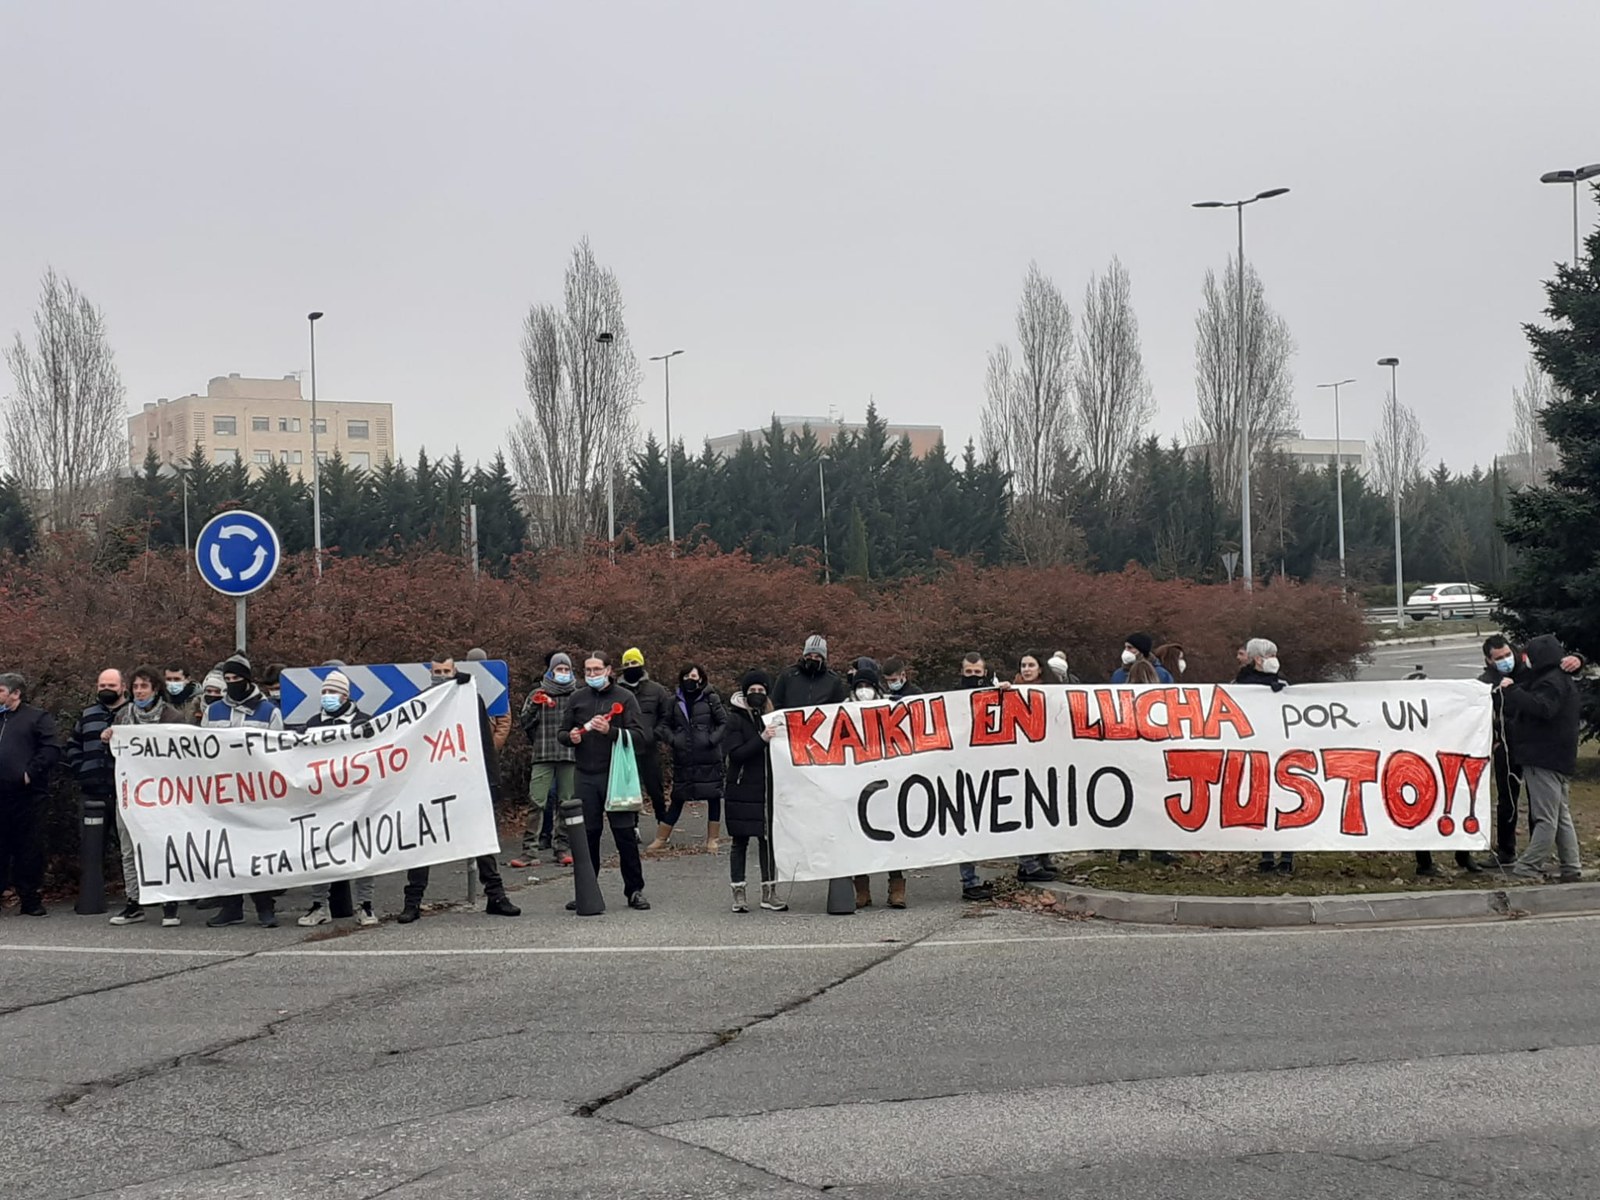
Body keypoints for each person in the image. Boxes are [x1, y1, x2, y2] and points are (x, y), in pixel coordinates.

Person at [400, 657, 522, 923]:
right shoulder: (420, 703)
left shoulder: (470, 698)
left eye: (447, 671)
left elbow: (484, 741)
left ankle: (496, 895)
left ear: (455, 671)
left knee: (480, 837)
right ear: (430, 674)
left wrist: (491, 779)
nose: (442, 675)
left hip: (467, 779)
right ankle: (412, 902)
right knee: (422, 842)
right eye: (438, 672)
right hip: (430, 782)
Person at [561, 651, 650, 910]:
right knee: (587, 836)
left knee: (624, 835)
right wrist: (571, 738)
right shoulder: (577, 698)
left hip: (616, 776)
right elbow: (563, 733)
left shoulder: (625, 698)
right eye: (588, 671)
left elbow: (640, 737)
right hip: (585, 775)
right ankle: (586, 890)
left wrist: (610, 731)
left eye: (597, 670)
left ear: (609, 670)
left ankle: (635, 890)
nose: (592, 675)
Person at [202, 655, 287, 927]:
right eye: (227, 680)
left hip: (257, 793)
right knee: (226, 850)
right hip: (223, 792)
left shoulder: (269, 711)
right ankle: (231, 906)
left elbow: (281, 752)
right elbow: (202, 751)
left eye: (236, 679)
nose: (231, 684)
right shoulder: (213, 711)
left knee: (258, 852)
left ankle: (265, 907)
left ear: (247, 679)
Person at [297, 671, 380, 927]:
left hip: (357, 798)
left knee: (363, 850)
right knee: (319, 849)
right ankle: (319, 905)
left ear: (345, 695)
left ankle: (365, 906)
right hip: (322, 799)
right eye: (324, 692)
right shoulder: (312, 724)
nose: (327, 697)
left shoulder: (364, 722)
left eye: (332, 693)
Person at [108, 666, 189, 927]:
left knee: (162, 847)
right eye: (136, 687)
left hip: (162, 795)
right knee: (129, 849)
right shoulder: (123, 716)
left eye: (144, 686)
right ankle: (134, 901)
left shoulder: (172, 717)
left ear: (155, 689)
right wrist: (109, 736)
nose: (140, 691)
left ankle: (170, 903)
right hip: (130, 794)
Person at [1501, 635, 1583, 884]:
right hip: (1559, 756)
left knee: (1546, 817)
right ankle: (1571, 865)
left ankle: (1528, 865)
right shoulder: (1559, 678)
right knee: (1560, 814)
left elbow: (1542, 708)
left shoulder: (1549, 683)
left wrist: (1511, 690)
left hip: (1542, 757)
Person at [848, 659, 912, 909]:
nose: (864, 689)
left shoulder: (891, 707)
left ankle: (897, 887)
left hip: (887, 782)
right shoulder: (842, 710)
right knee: (856, 836)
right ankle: (861, 889)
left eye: (868, 684)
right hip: (856, 783)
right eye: (859, 685)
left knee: (892, 835)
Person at [724, 669, 787, 913]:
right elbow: (736, 753)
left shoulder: (772, 717)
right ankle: (738, 892)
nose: (757, 694)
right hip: (741, 789)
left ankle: (769, 892)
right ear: (744, 693)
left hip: (767, 788)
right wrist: (761, 739)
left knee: (767, 841)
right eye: (753, 691)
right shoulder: (735, 719)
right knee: (739, 842)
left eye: (761, 691)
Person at [0, 673, 61, 917]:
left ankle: (30, 898)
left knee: (29, 847)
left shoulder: (37, 718)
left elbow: (51, 749)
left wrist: (29, 773)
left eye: (2, 690)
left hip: (28, 795)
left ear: (16, 693)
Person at [512, 652, 577, 870]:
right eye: (559, 669)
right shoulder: (537, 693)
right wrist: (535, 705)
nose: (563, 673)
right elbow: (524, 722)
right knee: (536, 801)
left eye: (566, 669)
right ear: (550, 670)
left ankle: (563, 848)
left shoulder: (577, 695)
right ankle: (529, 850)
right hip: (542, 754)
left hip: (569, 755)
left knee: (566, 802)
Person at [1235, 639, 1294, 876]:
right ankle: (1267, 856)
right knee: (1262, 804)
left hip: (1281, 753)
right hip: (1254, 753)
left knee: (1287, 803)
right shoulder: (1239, 684)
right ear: (1257, 658)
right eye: (1269, 654)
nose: (1274, 659)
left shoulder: (1283, 684)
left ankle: (1287, 857)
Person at [65, 670, 128, 885]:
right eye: (102, 685)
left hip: (124, 793)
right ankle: (92, 894)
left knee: (128, 847)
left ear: (123, 687)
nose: (106, 689)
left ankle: (136, 894)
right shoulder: (87, 714)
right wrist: (80, 769)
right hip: (91, 791)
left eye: (111, 685)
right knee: (92, 848)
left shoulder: (132, 714)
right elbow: (73, 744)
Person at [663, 663, 728, 853]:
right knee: (678, 796)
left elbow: (723, 722)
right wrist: (674, 740)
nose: (690, 680)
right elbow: (664, 725)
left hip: (709, 755)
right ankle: (662, 837)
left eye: (694, 676)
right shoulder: (674, 701)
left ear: (701, 678)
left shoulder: (711, 698)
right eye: (686, 676)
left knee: (713, 796)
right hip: (684, 756)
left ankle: (712, 839)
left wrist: (712, 739)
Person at [617, 647, 675, 853]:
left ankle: (663, 825)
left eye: (634, 663)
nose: (631, 667)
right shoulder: (616, 690)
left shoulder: (657, 690)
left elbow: (666, 715)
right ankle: (632, 827)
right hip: (624, 746)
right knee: (629, 790)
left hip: (649, 746)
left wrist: (655, 734)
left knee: (655, 788)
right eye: (627, 664)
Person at [772, 635, 847, 710]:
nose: (813, 659)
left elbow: (838, 709)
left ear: (823, 659)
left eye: (817, 657)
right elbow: (776, 703)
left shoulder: (833, 681)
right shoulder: (787, 676)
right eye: (809, 656)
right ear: (804, 656)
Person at [466, 648, 512, 754]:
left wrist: (493, 746)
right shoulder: (460, 687)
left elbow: (504, 721)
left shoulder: (495, 688)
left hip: (488, 746)